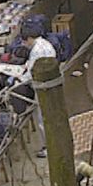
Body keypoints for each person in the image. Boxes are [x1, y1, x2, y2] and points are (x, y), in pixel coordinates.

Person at [19, 27, 59, 158]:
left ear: (30, 39)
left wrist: (18, 80)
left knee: (43, 119)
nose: (25, 45)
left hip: (42, 87)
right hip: (53, 85)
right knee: (53, 116)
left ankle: (49, 148)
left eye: (25, 42)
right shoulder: (46, 44)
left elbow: (32, 73)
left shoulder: (36, 51)